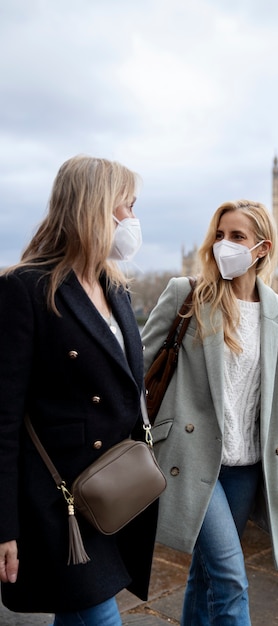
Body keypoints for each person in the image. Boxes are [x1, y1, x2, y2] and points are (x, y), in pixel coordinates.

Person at [0, 155, 158, 626]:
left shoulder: (116, 288)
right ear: (96, 208)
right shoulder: (25, 289)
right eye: (126, 206)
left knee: (78, 616)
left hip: (113, 489)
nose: (133, 219)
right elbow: (3, 419)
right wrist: (3, 525)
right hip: (58, 499)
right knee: (99, 617)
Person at [141, 199, 278, 625]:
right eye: (219, 235)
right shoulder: (188, 294)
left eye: (237, 237)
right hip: (189, 455)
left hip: (245, 466)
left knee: (206, 574)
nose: (223, 245)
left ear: (262, 248)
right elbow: (136, 365)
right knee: (231, 579)